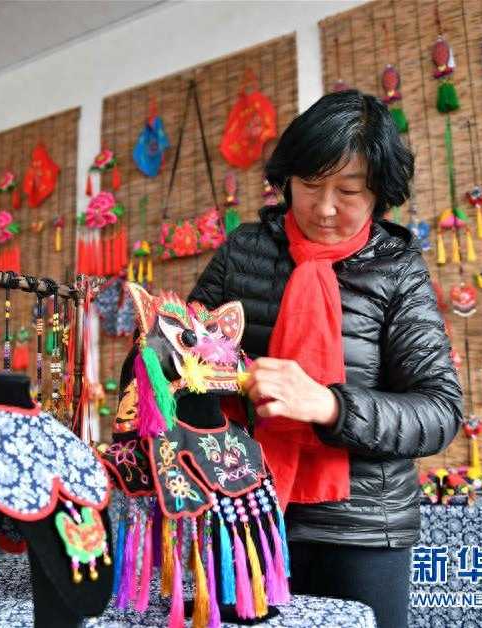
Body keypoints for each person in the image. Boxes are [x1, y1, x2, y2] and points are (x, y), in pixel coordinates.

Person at [188, 89, 463, 628]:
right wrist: (198, 366)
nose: (325, 207)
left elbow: (440, 411)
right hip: (245, 511)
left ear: (380, 192)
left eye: (349, 190)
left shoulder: (398, 269)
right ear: (287, 178)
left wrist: (329, 405)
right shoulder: (243, 251)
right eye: (311, 185)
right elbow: (180, 354)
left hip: (363, 529)